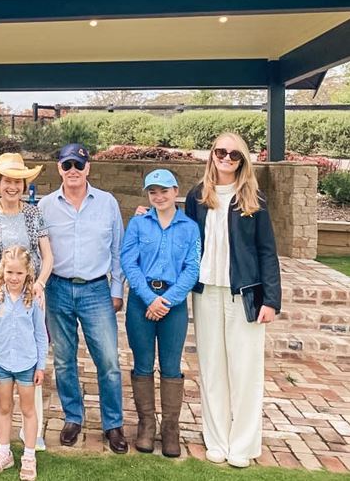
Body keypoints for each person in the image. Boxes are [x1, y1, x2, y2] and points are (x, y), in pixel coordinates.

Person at [185, 132, 281, 468]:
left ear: (243, 160)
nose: (226, 158)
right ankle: (216, 440)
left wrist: (271, 299)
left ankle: (242, 444)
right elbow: (185, 238)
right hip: (206, 292)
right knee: (212, 370)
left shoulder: (254, 198)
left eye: (234, 154)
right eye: (220, 152)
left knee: (245, 371)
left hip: (246, 295)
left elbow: (267, 251)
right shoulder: (197, 196)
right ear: (211, 155)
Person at [38, 143, 127, 454]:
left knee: (109, 361)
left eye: (78, 165)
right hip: (58, 288)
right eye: (67, 165)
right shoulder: (46, 206)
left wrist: (117, 290)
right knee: (64, 360)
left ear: (89, 167)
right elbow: (39, 252)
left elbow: (118, 250)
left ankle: (113, 424)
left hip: (95, 289)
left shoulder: (107, 203)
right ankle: (73, 417)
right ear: (59, 169)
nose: (73, 171)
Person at [0, 153, 53, 454]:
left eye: (18, 181)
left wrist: (40, 285)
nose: (12, 186)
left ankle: (32, 427)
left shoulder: (34, 214)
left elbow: (48, 256)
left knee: (30, 356)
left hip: (29, 297)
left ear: (23, 184)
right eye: (7, 180)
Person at [121, 169, 200, 456]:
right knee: (142, 364)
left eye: (164, 190)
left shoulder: (190, 228)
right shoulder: (138, 223)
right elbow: (128, 261)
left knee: (171, 366)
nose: (159, 196)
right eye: (153, 191)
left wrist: (167, 300)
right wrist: (148, 298)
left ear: (176, 191)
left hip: (173, 304)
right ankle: (146, 426)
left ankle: (170, 429)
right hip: (142, 301)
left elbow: (192, 268)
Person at [0, 246, 49, 481]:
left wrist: (40, 365)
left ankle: (29, 456)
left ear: (27, 273)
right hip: (1, 364)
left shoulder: (34, 299)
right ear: (2, 271)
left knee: (28, 410)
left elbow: (41, 335)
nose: (14, 278)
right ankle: (4, 453)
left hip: (27, 364)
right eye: (10, 272)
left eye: (19, 273)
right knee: (4, 407)